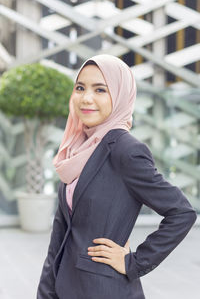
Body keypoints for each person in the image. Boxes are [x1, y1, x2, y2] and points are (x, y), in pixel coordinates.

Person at [37, 54, 197, 299]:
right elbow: (59, 236)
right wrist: (46, 292)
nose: (86, 98)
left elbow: (181, 213)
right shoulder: (76, 150)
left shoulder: (126, 150)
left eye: (100, 89)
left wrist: (135, 262)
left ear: (121, 94)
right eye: (80, 87)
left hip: (104, 290)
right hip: (64, 287)